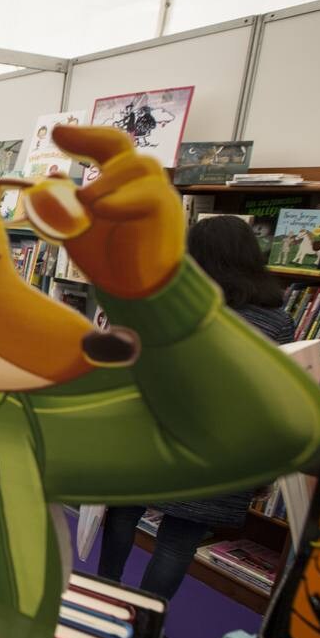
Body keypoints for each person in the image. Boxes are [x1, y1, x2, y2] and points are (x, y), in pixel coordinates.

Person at [97, 215, 296, 601]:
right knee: (178, 542)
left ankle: (103, 599)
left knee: (122, 516)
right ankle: (145, 622)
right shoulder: (277, 323)